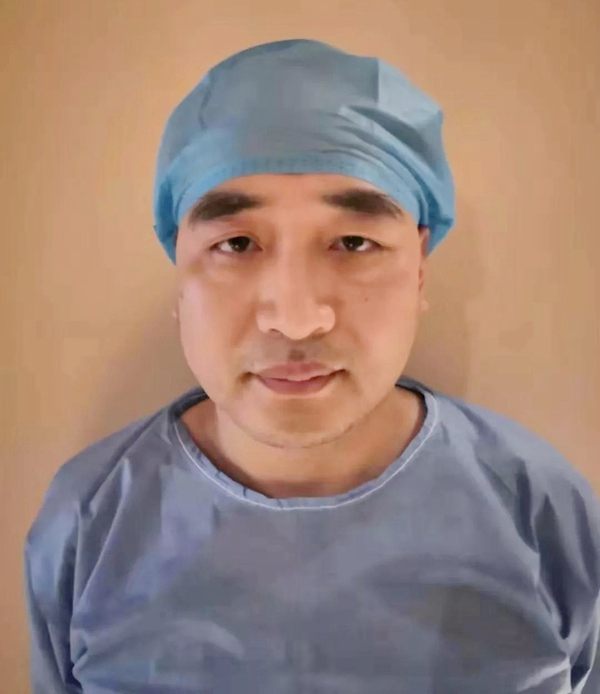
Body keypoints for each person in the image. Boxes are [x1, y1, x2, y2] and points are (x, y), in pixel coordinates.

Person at [25, 39, 599, 693]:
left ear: (419, 268)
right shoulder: (89, 522)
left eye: (354, 242)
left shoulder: (540, 512)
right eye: (235, 243)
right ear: (180, 271)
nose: (296, 319)